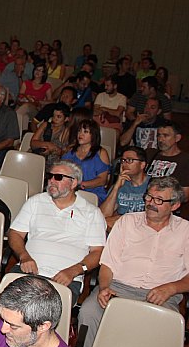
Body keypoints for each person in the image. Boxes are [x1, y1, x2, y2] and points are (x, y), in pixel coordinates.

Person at [78, 177, 189, 347]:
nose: (151, 204)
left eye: (159, 200)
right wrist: (104, 287)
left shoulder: (185, 231)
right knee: (89, 310)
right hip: (119, 287)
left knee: (168, 326)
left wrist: (172, 288)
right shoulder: (127, 222)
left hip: (162, 295)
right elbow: (107, 264)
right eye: (149, 197)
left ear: (175, 205)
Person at [8, 160, 106, 302]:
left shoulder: (91, 213)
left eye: (58, 177)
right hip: (28, 271)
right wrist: (24, 256)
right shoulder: (35, 202)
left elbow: (97, 252)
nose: (52, 181)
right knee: (12, 304)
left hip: (65, 278)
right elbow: (15, 233)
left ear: (74, 183)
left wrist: (73, 271)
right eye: (50, 176)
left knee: (40, 311)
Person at [62, 120, 111, 204]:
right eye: (79, 131)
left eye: (85, 131)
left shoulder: (100, 153)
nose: (80, 134)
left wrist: (80, 184)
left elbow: (103, 180)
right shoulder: (70, 151)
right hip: (71, 191)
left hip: (93, 194)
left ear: (93, 135)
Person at [100, 146, 149, 229]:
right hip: (122, 228)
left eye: (129, 160)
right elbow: (103, 216)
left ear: (142, 165)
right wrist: (116, 188)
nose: (124, 164)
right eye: (123, 160)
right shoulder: (120, 184)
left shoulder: (153, 185)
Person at [145, 120, 189, 200]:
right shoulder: (150, 154)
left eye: (165, 135)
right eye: (159, 135)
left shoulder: (185, 160)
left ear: (177, 138)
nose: (160, 140)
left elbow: (185, 196)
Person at [30, 102, 70, 167]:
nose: (55, 119)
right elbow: (33, 143)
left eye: (59, 117)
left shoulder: (66, 131)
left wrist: (54, 149)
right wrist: (48, 145)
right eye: (54, 116)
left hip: (54, 164)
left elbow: (65, 153)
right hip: (36, 157)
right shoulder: (45, 125)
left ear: (66, 119)